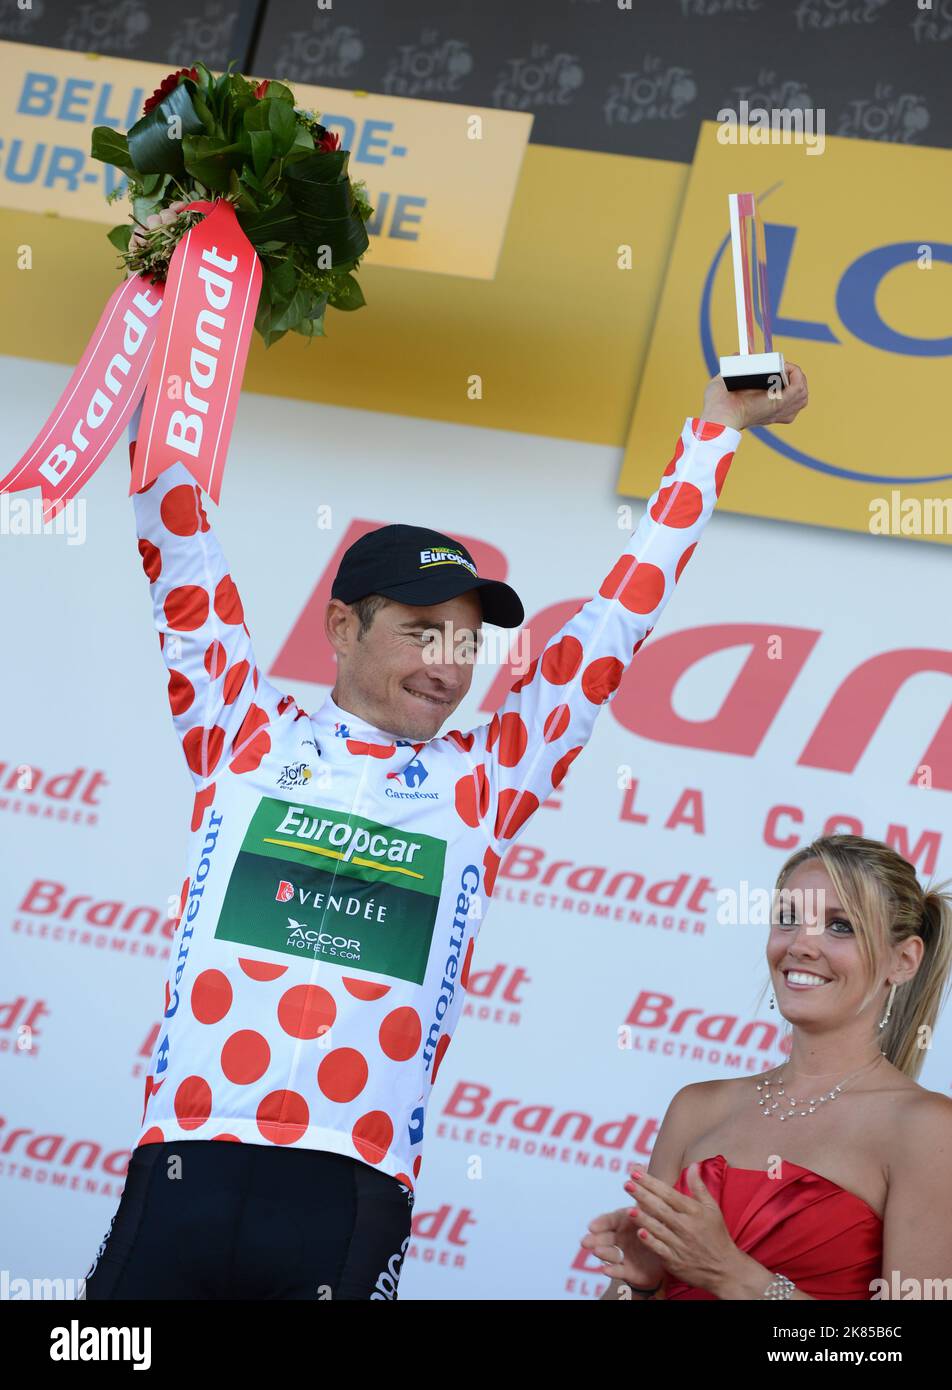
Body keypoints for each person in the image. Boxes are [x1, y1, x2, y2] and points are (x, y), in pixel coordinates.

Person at [81, 202, 809, 1301]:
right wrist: (170, 307)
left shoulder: (488, 775)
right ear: (341, 628)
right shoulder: (240, 728)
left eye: (468, 640)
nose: (447, 661)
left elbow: (617, 619)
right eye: (421, 629)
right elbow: (171, 516)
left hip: (351, 1190)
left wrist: (712, 434)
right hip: (185, 1156)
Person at [585, 835, 952, 1300]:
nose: (800, 944)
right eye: (788, 919)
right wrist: (642, 1284)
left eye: (840, 927)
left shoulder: (927, 1130)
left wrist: (731, 1275)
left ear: (903, 960)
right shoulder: (697, 1107)